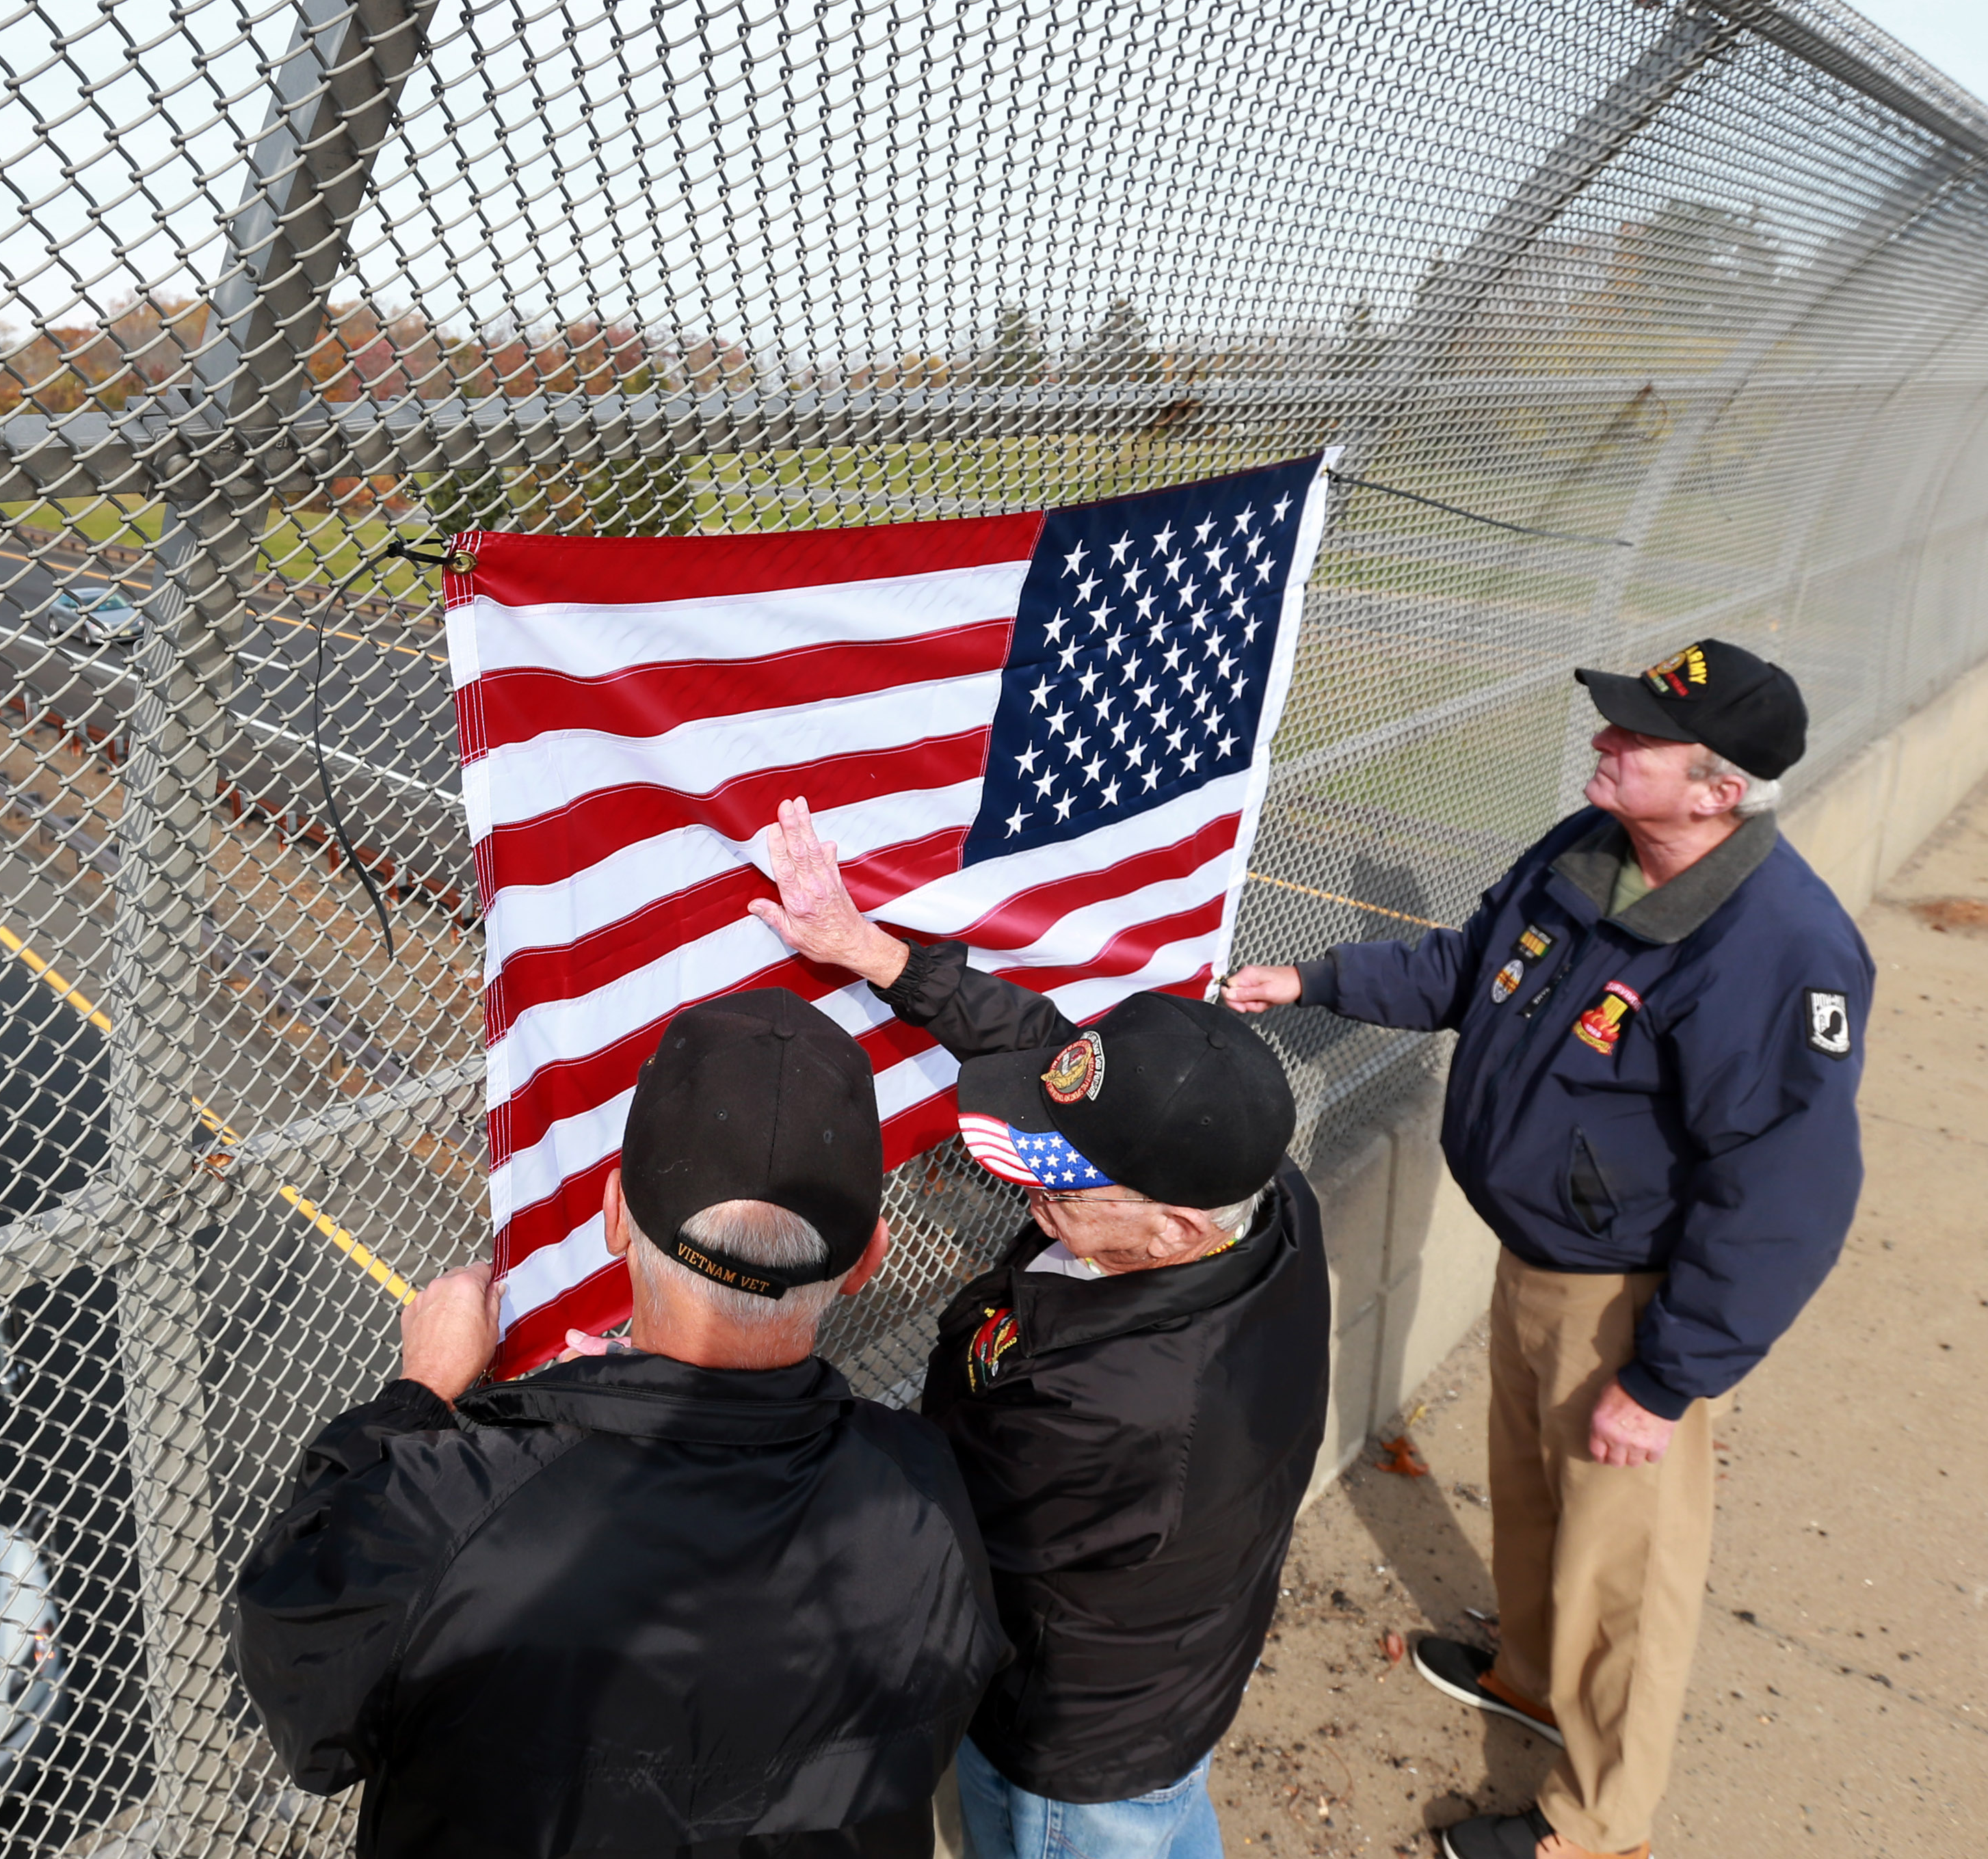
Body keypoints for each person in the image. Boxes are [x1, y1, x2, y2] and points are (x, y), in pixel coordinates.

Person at [1223, 638, 1872, 1859]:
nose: (1600, 744)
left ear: (1715, 791)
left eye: (1633, 739)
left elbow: (1781, 1195)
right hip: (1536, 1253)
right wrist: (1309, 976)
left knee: (1626, 1574)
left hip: (1628, 1296)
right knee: (1530, 1494)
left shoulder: (1774, 949)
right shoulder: (1589, 849)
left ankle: (1599, 1822)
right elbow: (1467, 966)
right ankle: (1528, 1673)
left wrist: (1666, 1377)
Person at [231, 987, 1004, 1859]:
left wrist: (421, 1394)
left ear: (611, 1212)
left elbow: (306, 1696)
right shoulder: (926, 1493)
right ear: (868, 1258)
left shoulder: (452, 1513)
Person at [751, 798, 1329, 1859]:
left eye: (1066, 1185)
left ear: (1171, 1223)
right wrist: (870, 949)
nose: (1030, 1196)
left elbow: (941, 1526)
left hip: (1075, 1734)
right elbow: (1051, 1048)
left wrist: (743, 1403)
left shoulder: (1121, 1403)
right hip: (1178, 1669)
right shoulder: (1255, 1184)